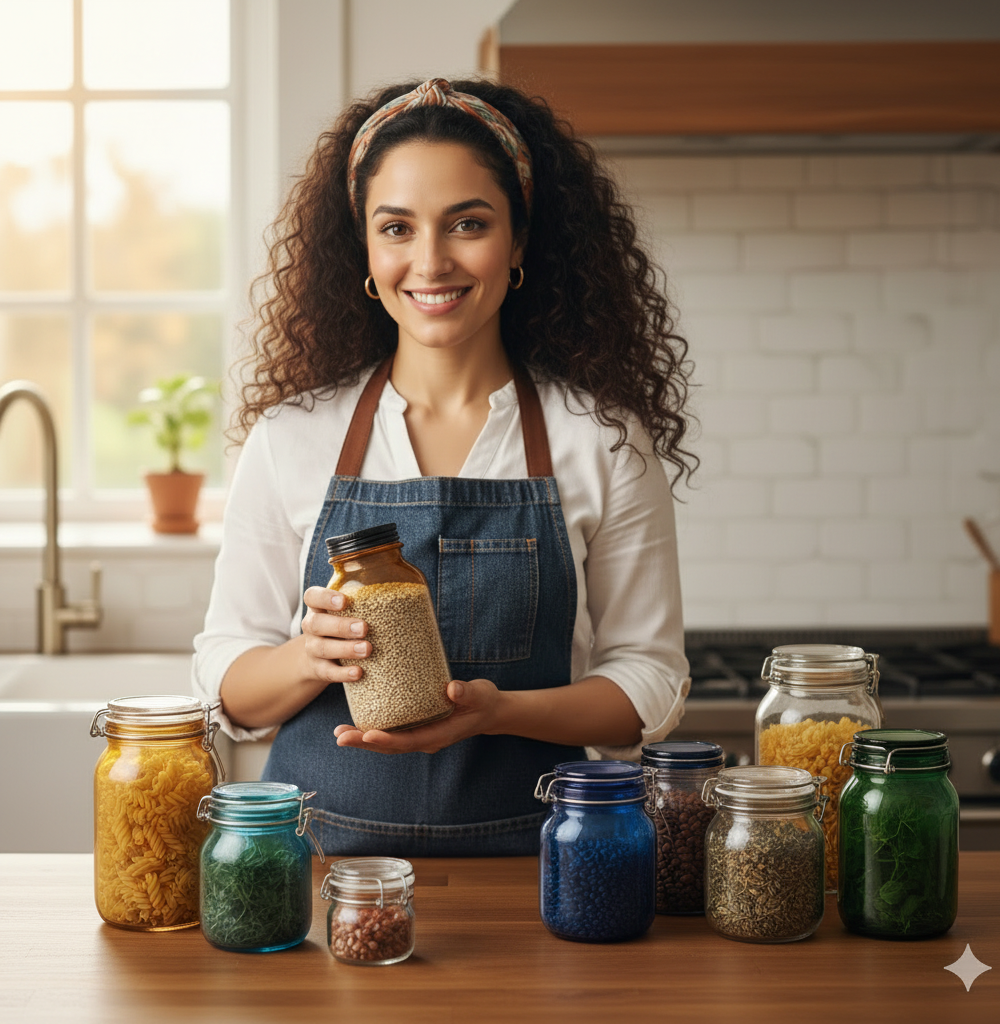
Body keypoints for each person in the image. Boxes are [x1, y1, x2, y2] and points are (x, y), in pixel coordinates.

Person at [192, 78, 697, 857]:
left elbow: (647, 686)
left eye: (468, 223)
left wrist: (499, 712)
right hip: (315, 876)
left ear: (520, 241)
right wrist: (308, 656)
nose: (430, 262)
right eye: (396, 227)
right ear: (362, 246)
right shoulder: (291, 437)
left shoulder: (598, 441)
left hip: (542, 871)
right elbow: (228, 678)